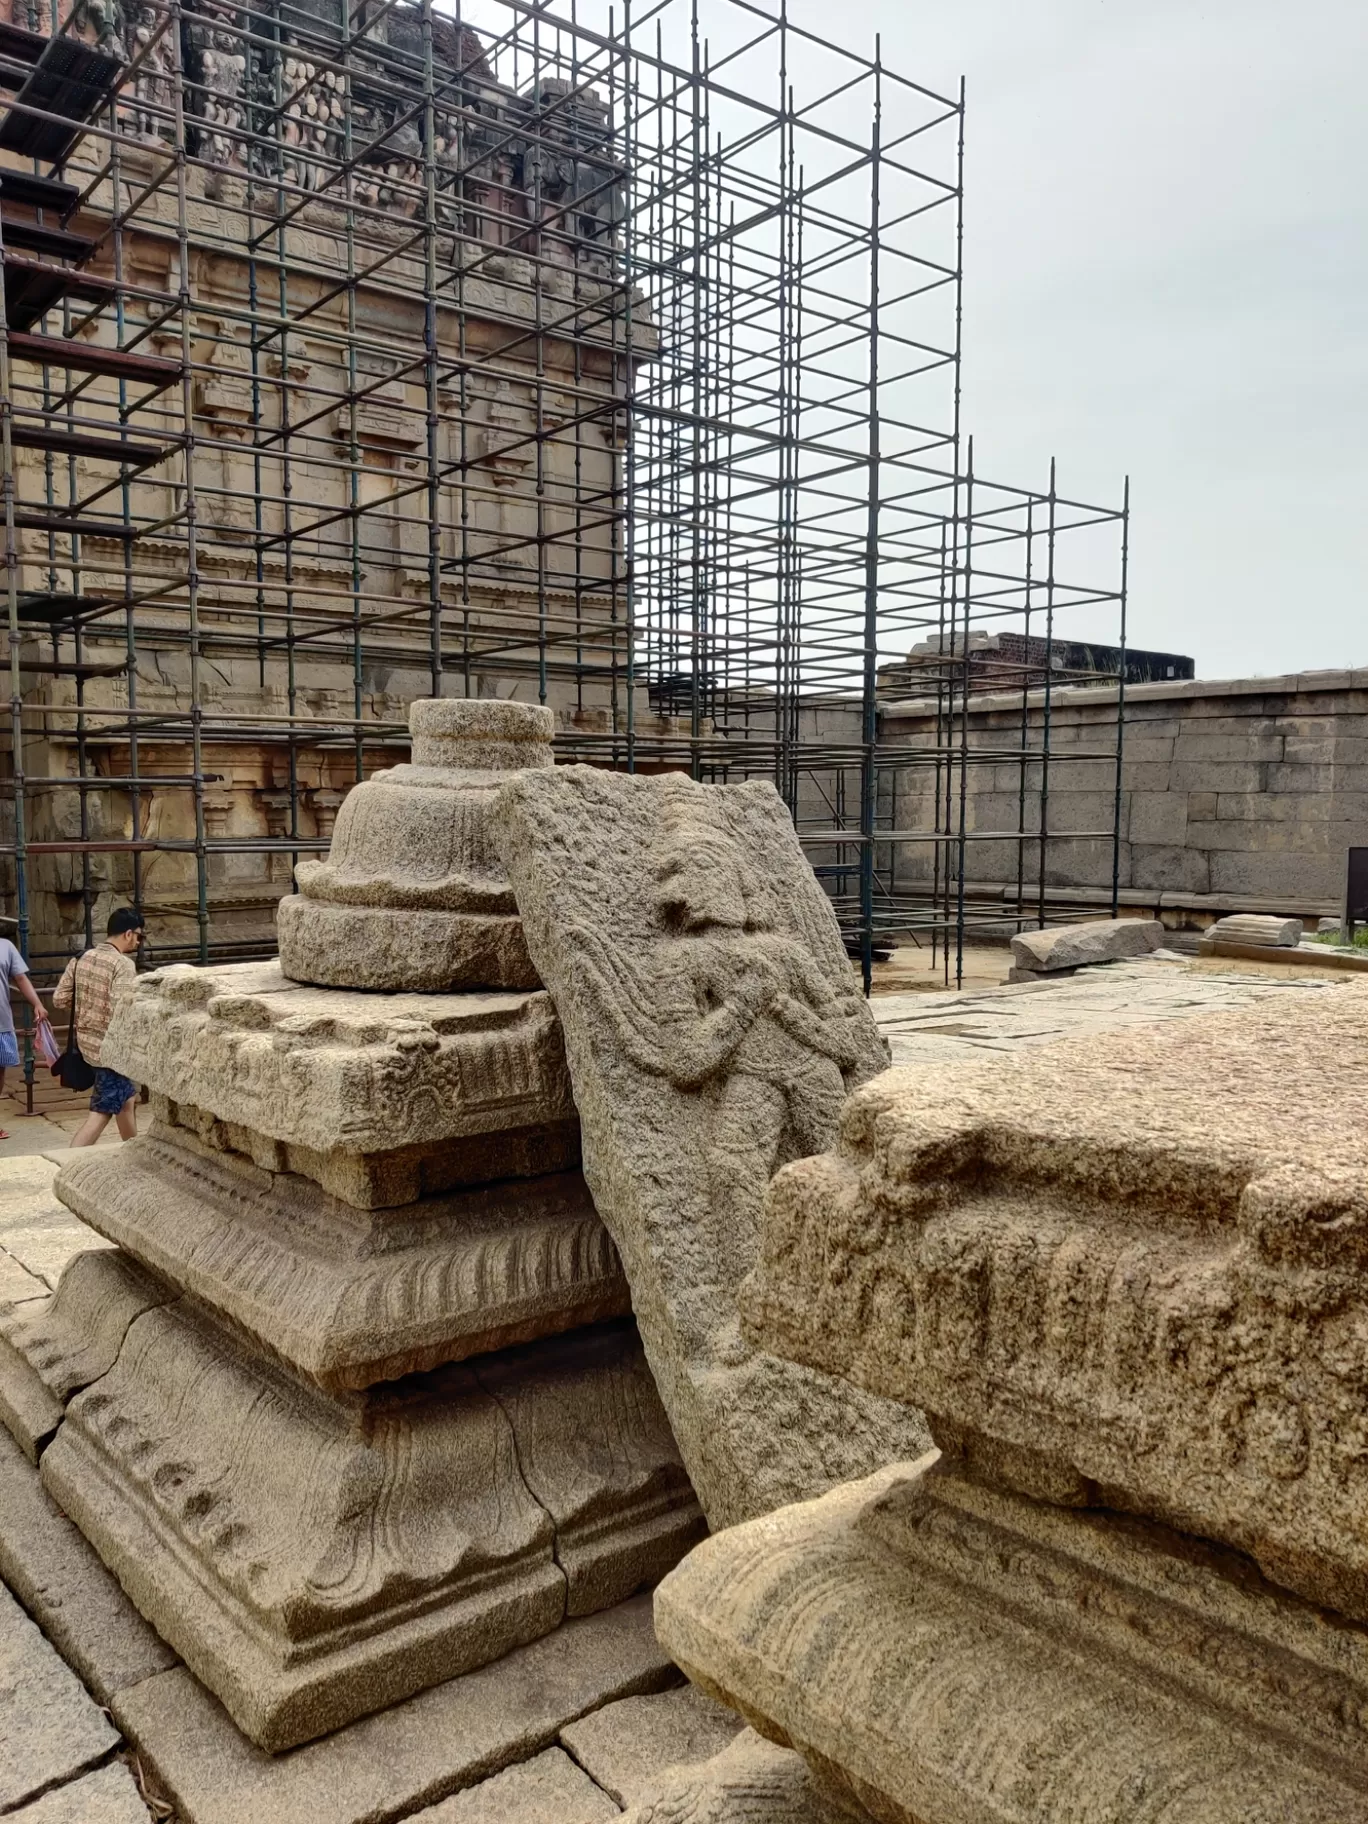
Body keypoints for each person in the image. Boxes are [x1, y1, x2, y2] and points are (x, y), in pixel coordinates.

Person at [52, 908, 145, 1148]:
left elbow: (59, 999)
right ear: (127, 933)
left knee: (125, 1099)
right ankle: (70, 1161)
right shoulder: (122, 964)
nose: (137, 941)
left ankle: (134, 1152)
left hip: (87, 1045)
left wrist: (88, 1006)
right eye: (138, 936)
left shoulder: (81, 957)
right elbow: (122, 1008)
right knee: (101, 1111)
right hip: (111, 1050)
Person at [0, 932, 54, 1141]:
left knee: (0, 1071)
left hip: (1, 1022)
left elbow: (21, 978)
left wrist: (38, 1003)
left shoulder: (5, 946)